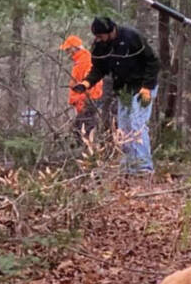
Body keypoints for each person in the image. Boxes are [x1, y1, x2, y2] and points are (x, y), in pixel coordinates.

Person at [72, 17, 160, 175]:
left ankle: (144, 168)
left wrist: (147, 87)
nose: (98, 39)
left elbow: (153, 61)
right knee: (124, 127)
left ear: (110, 31)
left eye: (100, 35)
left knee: (137, 125)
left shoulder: (131, 37)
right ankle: (130, 166)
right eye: (96, 36)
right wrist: (86, 83)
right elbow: (98, 69)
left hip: (142, 87)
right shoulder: (100, 46)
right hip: (124, 90)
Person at [60, 34, 103, 138]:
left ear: (75, 48)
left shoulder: (86, 60)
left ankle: (88, 152)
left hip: (88, 102)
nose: (67, 53)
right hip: (84, 103)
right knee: (79, 131)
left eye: (68, 50)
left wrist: (84, 102)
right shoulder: (79, 61)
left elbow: (92, 84)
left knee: (83, 133)